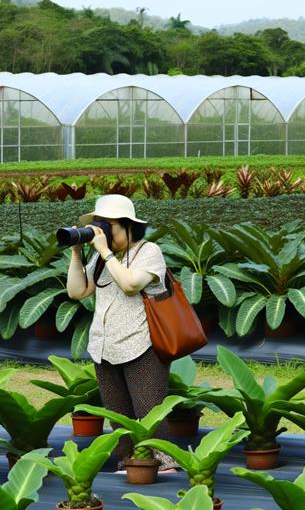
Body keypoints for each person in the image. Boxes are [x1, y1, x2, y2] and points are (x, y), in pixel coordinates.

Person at [65, 194, 178, 473]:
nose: (102, 232)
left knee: (149, 412)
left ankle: (164, 464)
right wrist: (78, 253)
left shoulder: (149, 251)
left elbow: (130, 285)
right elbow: (77, 291)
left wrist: (103, 252)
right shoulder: (102, 259)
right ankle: (128, 463)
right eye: (99, 225)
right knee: (117, 416)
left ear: (129, 226)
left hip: (142, 346)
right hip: (105, 348)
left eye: (108, 225)